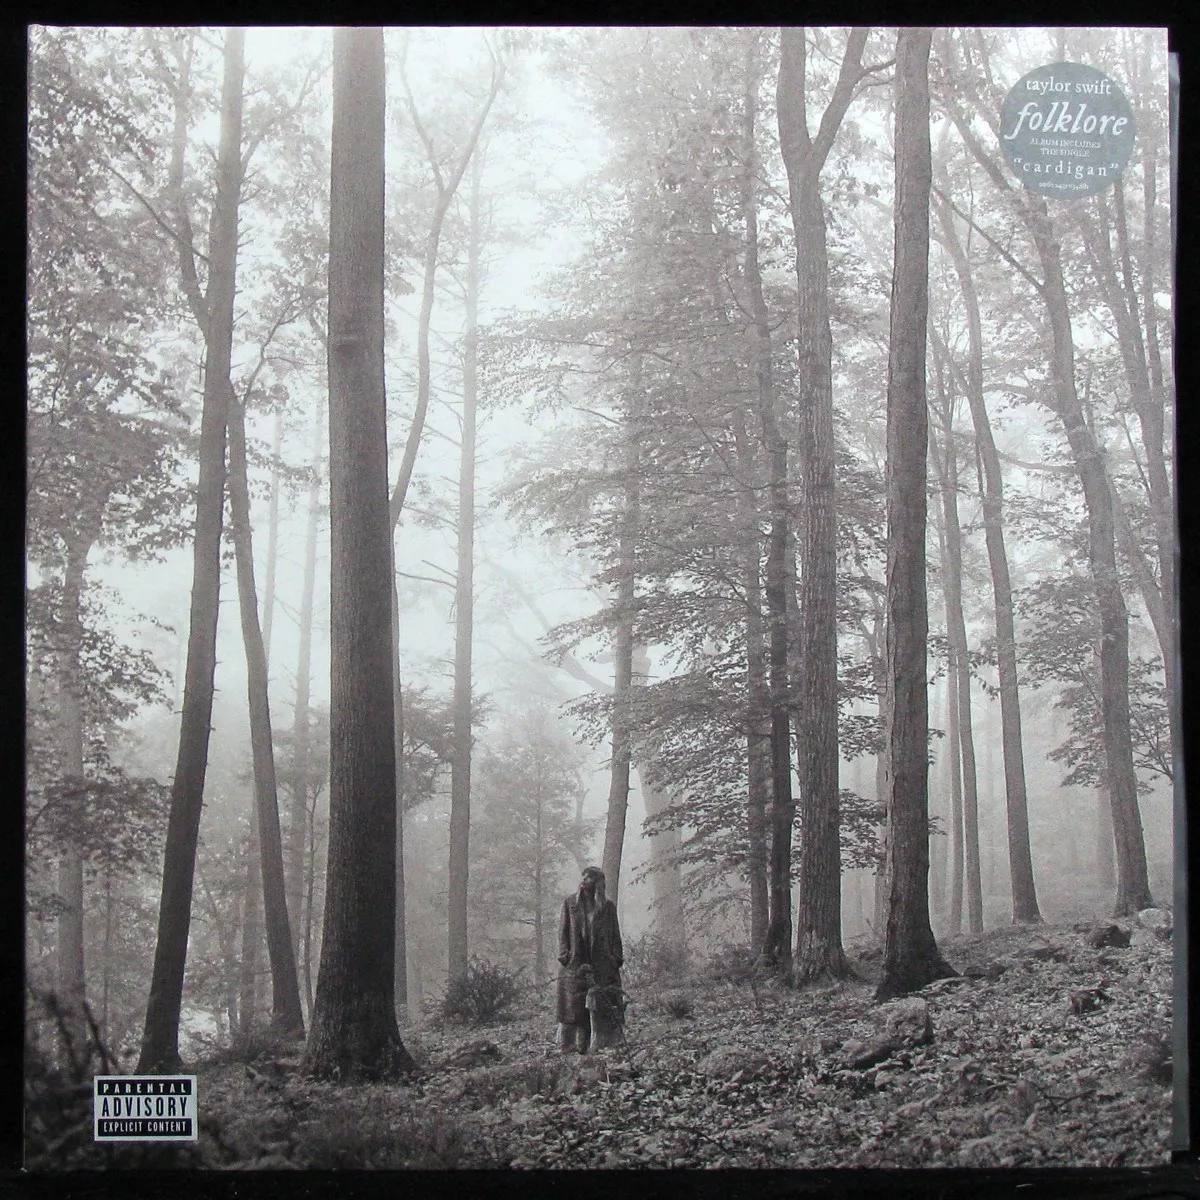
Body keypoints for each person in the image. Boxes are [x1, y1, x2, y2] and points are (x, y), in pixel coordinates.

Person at [556, 866, 624, 1053]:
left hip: (602, 962)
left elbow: (615, 934)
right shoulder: (570, 903)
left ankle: (603, 1044)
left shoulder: (607, 907)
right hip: (575, 961)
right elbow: (563, 931)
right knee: (573, 1005)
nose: (584, 879)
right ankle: (572, 1045)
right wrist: (565, 955)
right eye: (583, 876)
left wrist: (616, 958)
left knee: (602, 1002)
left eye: (589, 877)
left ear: (598, 882)